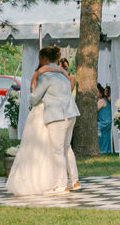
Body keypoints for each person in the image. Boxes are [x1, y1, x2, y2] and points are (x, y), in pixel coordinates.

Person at [7, 46, 80, 196]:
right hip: (71, 113)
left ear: (43, 59)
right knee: (67, 148)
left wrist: (31, 94)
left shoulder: (45, 76)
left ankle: (61, 184)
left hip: (57, 115)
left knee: (57, 150)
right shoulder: (62, 74)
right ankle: (75, 181)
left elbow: (35, 97)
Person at [96, 85, 112, 154]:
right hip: (106, 122)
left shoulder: (101, 101)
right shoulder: (104, 100)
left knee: (95, 127)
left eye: (97, 92)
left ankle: (101, 148)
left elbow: (93, 111)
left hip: (104, 123)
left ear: (100, 93)